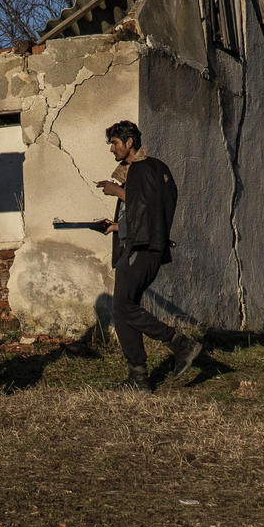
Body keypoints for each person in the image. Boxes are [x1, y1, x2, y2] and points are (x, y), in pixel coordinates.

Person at [93, 120, 203, 392]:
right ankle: (139, 378)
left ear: (129, 142)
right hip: (141, 246)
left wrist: (116, 190)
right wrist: (117, 226)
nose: (112, 149)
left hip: (140, 249)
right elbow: (148, 213)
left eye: (115, 143)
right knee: (123, 309)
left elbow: (143, 206)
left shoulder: (142, 169)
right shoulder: (153, 170)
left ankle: (181, 345)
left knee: (123, 306)